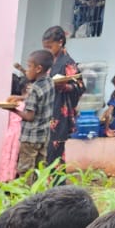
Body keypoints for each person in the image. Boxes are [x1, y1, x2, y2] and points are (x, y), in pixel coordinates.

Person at [42, 25, 84, 166]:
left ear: (60, 42)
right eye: (45, 47)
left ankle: (56, 186)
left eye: (50, 47)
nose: (47, 51)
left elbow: (80, 86)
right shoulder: (48, 62)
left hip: (59, 112)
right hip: (46, 110)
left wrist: (65, 86)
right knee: (44, 152)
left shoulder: (67, 63)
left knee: (55, 152)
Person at [12, 50, 53, 174]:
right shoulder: (49, 81)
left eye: (29, 66)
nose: (27, 70)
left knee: (26, 170)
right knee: (39, 169)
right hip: (44, 135)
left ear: (38, 68)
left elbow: (29, 116)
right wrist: (20, 98)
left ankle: (27, 193)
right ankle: (39, 192)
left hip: (30, 136)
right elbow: (40, 99)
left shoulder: (34, 88)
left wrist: (12, 109)